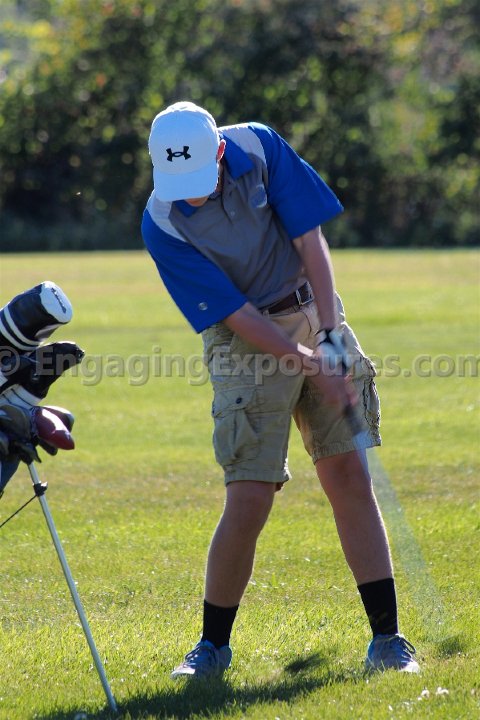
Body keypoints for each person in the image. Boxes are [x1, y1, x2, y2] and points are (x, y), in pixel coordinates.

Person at [141, 101, 419, 678]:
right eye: (178, 184)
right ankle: (211, 647)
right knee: (250, 493)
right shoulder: (161, 223)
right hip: (242, 341)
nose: (190, 197)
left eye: (198, 181)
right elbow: (235, 314)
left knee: (349, 476)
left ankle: (388, 641)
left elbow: (310, 242)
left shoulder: (260, 147)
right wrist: (309, 363)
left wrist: (329, 337)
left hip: (311, 306)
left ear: (219, 151)